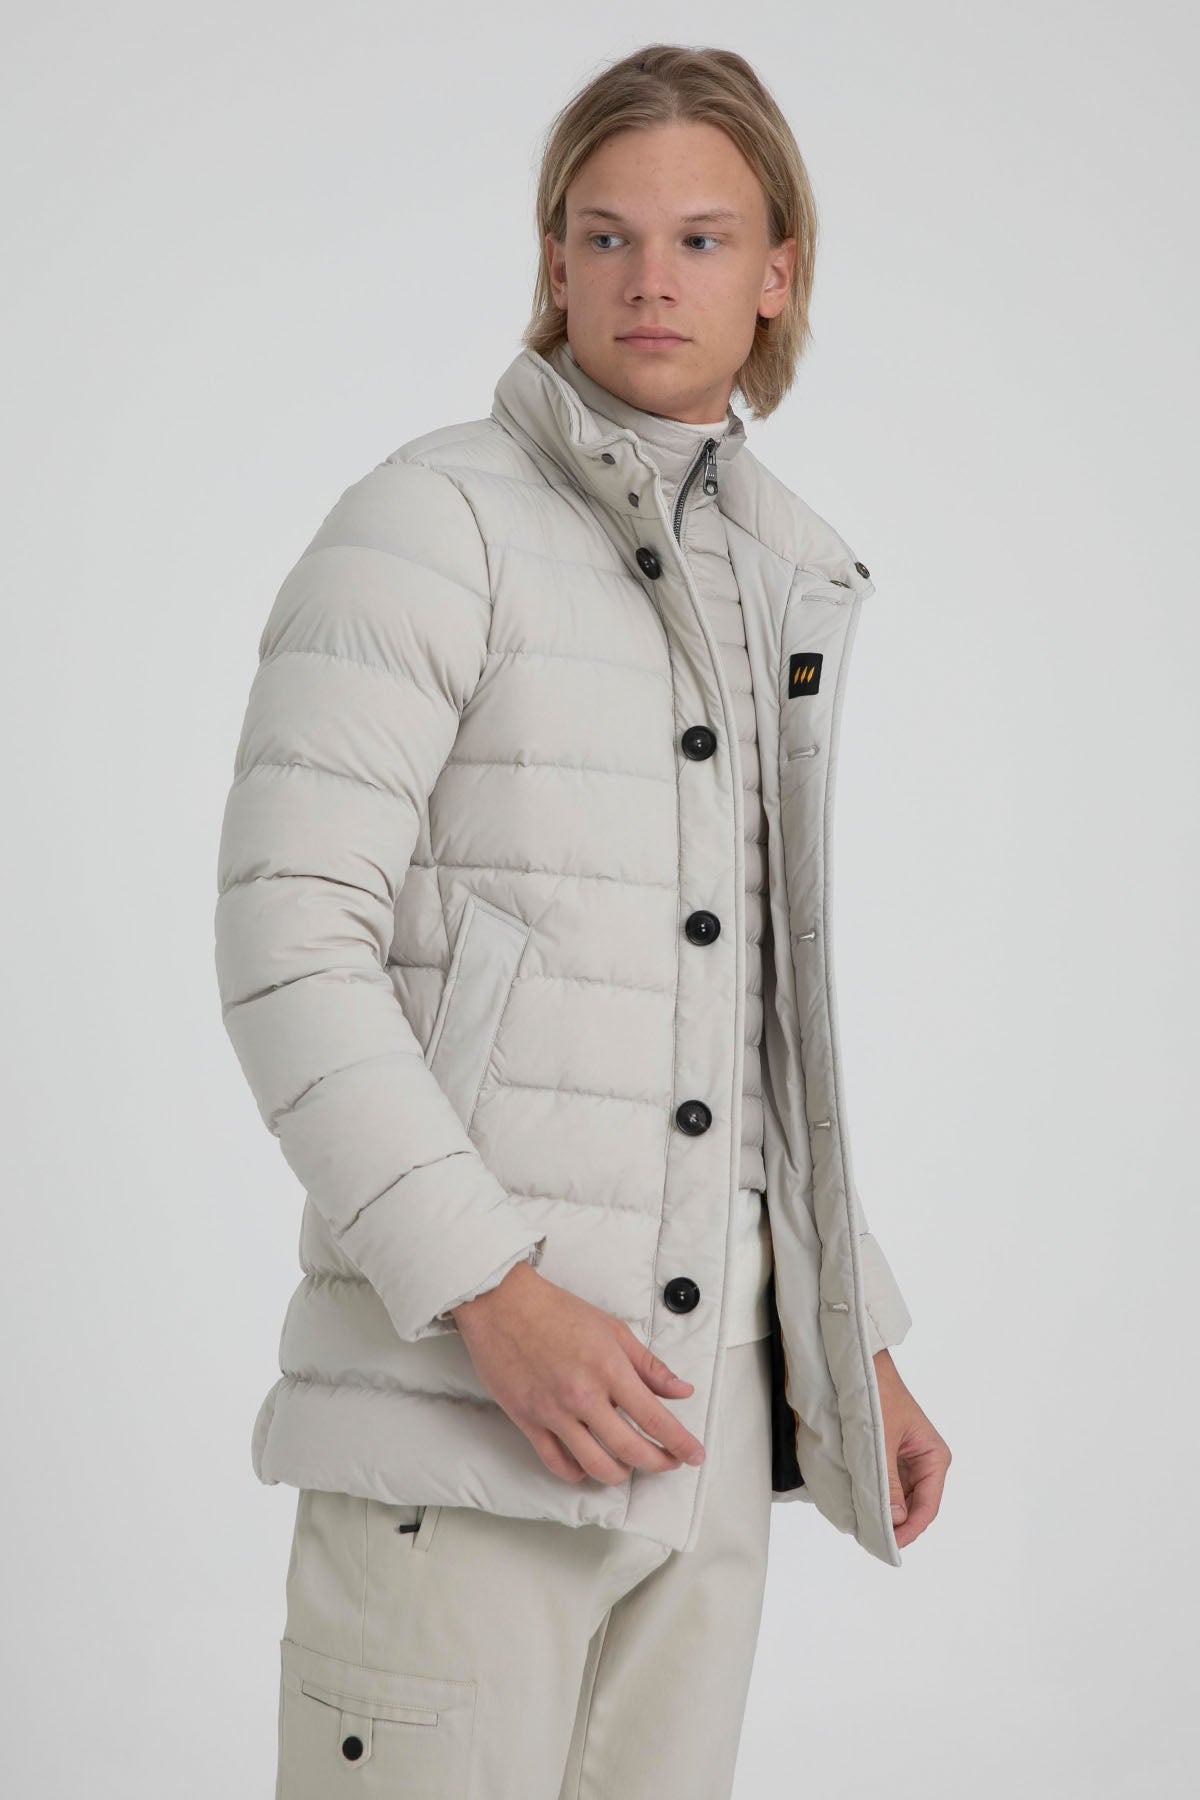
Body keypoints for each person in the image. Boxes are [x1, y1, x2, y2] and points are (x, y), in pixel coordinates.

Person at [213, 41, 951, 1800]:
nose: (648, 281)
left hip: (705, 1432)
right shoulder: (430, 523)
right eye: (606, 236)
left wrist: (850, 1328)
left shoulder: (779, 576)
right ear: (554, 258)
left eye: (702, 239)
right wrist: (491, 1290)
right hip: (465, 1426)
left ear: (777, 272)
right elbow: (288, 943)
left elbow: (747, 1010)